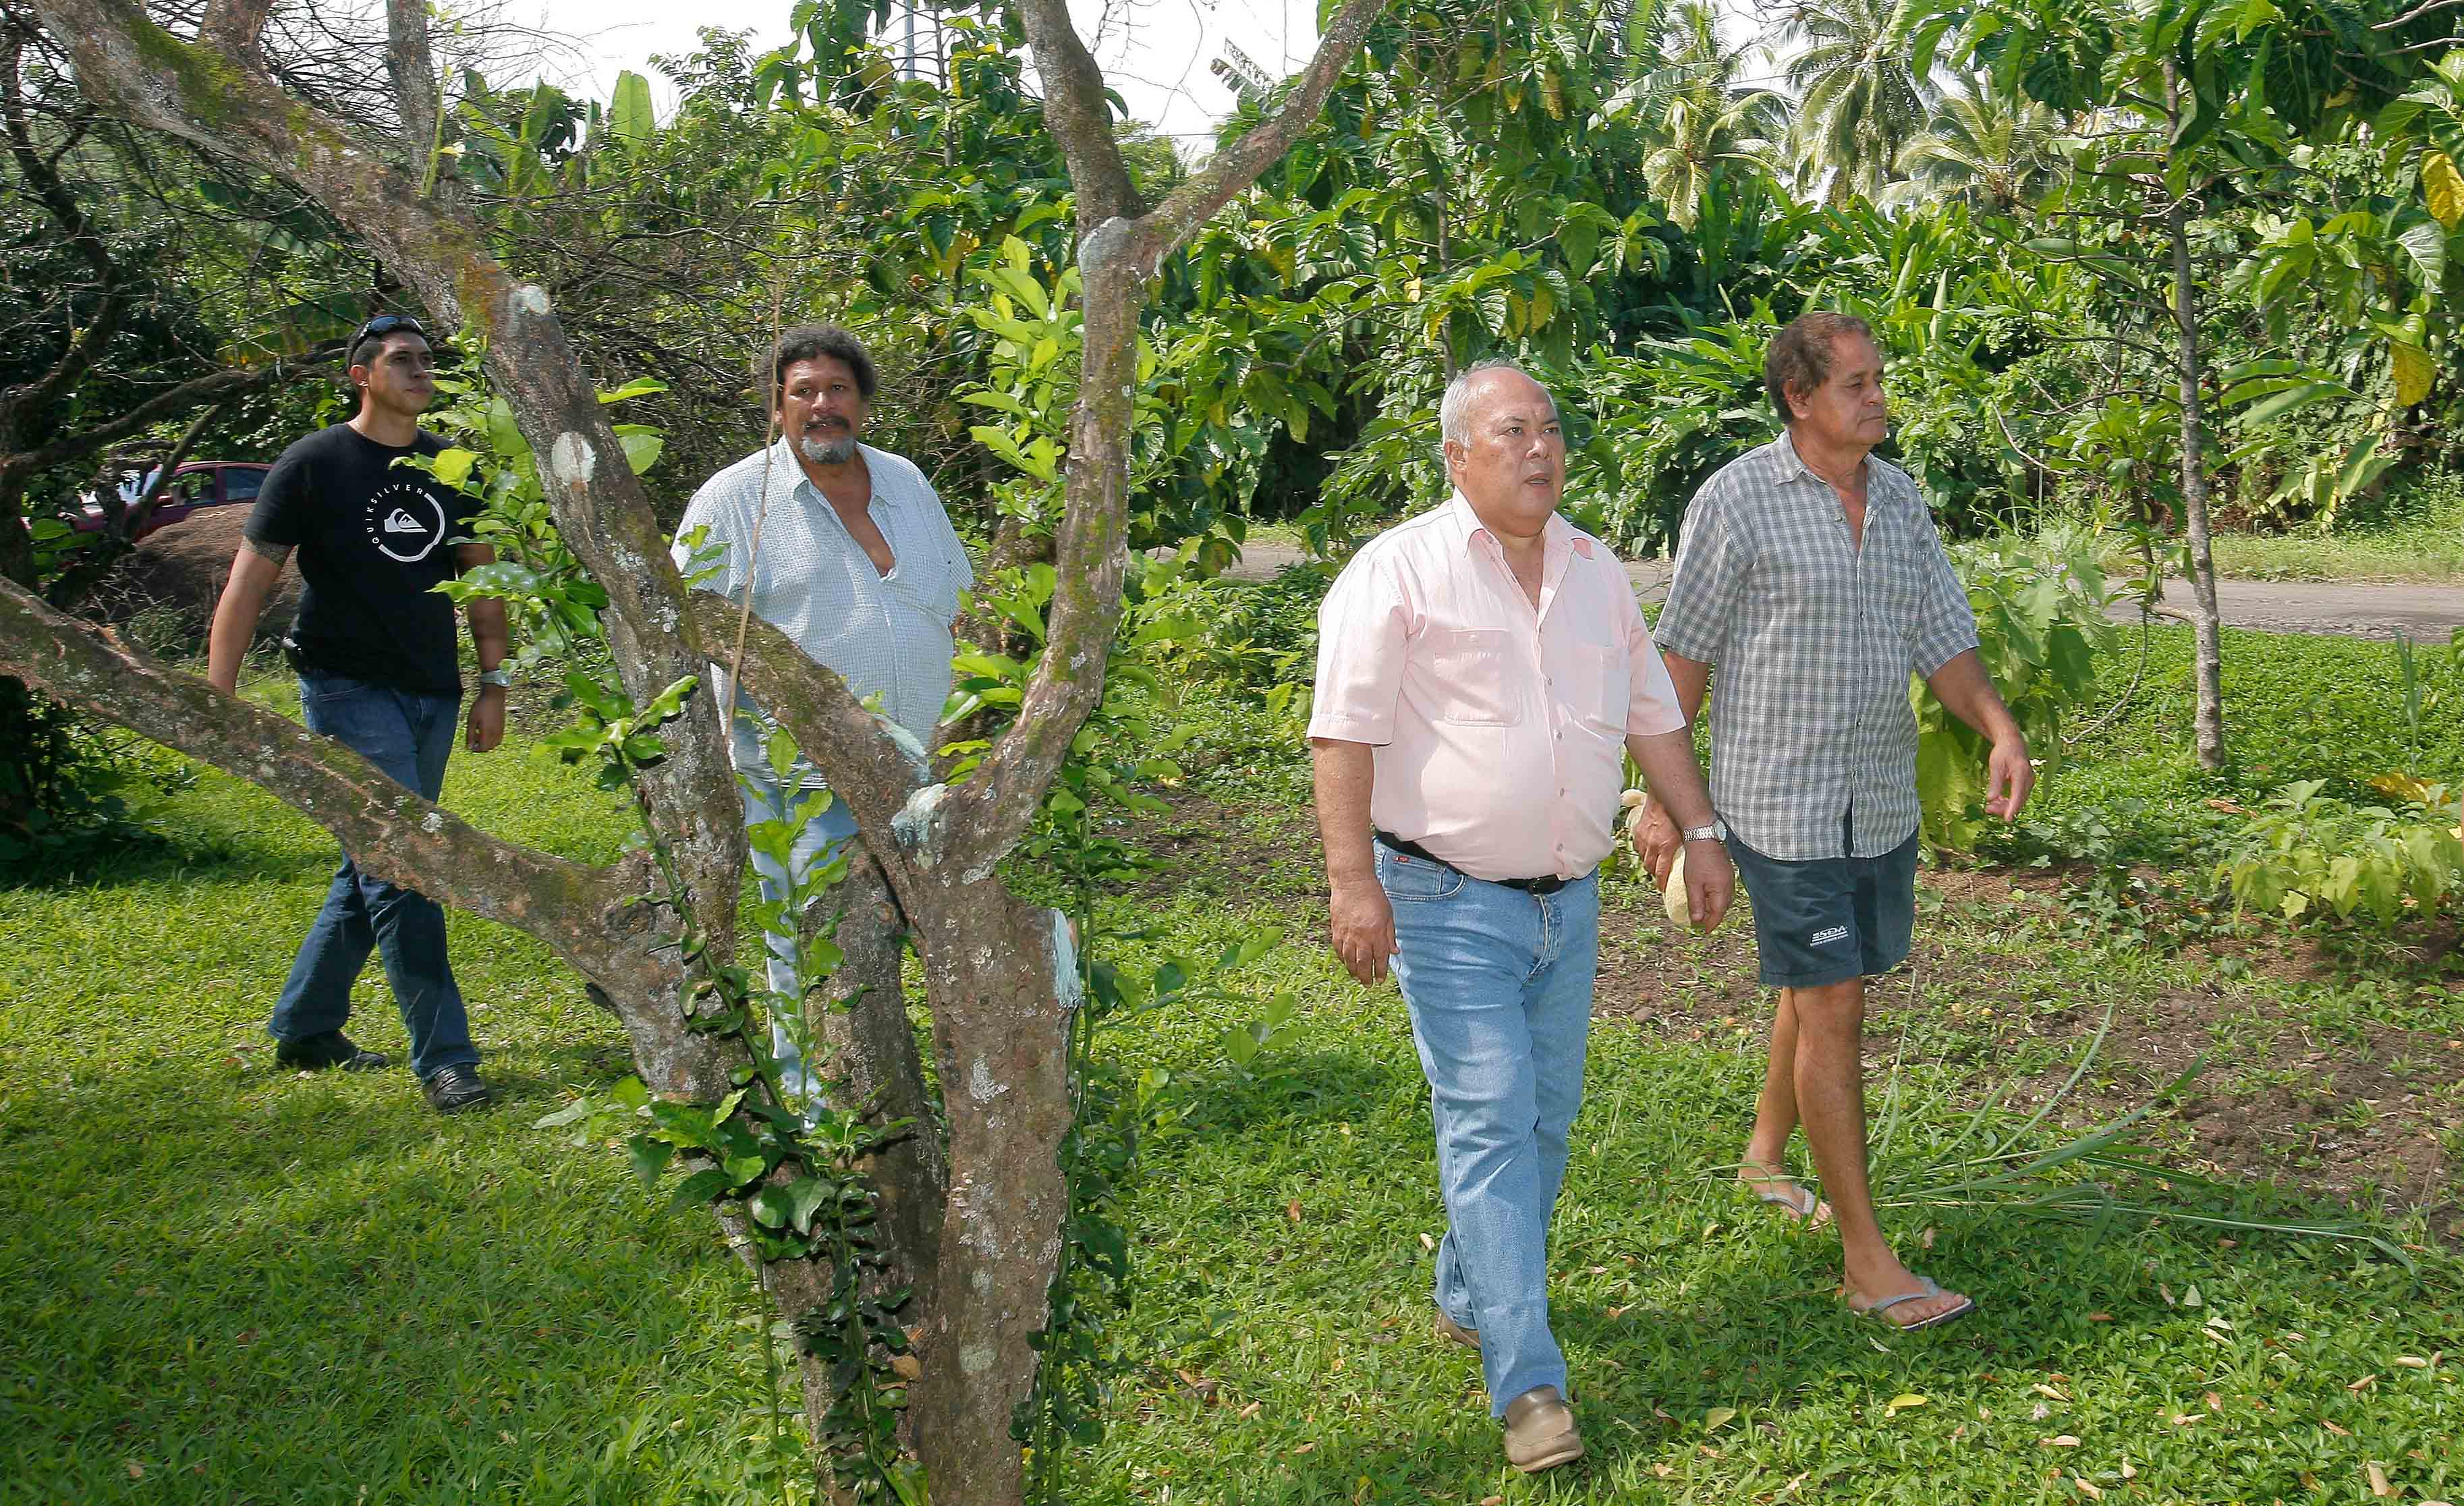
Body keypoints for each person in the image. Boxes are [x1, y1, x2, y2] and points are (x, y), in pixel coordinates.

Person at [1309, 358, 1733, 1475]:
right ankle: (1529, 1381)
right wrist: (1352, 884)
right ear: (1457, 456)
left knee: (1544, 1119)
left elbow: (1652, 716)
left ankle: (1469, 1287)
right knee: (1492, 1114)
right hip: (1444, 899)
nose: (1539, 447)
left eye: (1549, 426)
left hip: (1569, 903)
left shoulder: (1594, 571)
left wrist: (1698, 829)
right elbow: (1341, 733)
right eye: (1511, 430)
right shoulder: (1394, 571)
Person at [1635, 311, 2036, 1331]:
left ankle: (1765, 1161)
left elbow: (1941, 629)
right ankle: (1869, 1263)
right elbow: (1683, 652)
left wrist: (1996, 725)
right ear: (1799, 399)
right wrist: (1665, 802)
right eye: (1856, 383)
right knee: (1836, 1003)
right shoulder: (1736, 502)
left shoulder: (1898, 502)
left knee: (1821, 988)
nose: (1877, 397)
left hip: (1877, 801)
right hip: (1780, 804)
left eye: (1879, 379)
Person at [206, 314, 506, 1114]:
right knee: (406, 861)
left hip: (433, 691)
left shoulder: (453, 465)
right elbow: (250, 580)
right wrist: (218, 696)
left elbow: (481, 580)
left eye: (426, 360)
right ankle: (446, 1058)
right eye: (401, 360)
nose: (420, 370)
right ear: (361, 375)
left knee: (370, 859)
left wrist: (495, 682)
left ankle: (307, 1027)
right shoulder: (313, 464)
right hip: (346, 688)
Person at [671, 325, 974, 1109]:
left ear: (863, 402)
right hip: (798, 767)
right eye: (802, 391)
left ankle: (880, 1078)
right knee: (807, 935)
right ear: (777, 406)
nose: (821, 405)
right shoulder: (738, 499)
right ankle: (814, 1102)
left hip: (912, 765)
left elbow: (958, 599)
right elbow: (677, 623)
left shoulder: (906, 480)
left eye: (836, 389)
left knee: (890, 930)